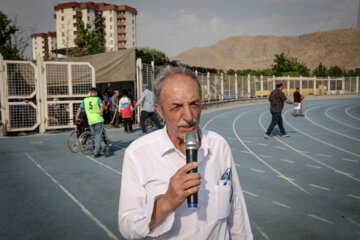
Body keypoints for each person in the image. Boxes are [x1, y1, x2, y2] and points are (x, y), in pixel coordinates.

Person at [118, 67, 253, 239]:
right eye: (176, 107)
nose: (189, 116)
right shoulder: (138, 154)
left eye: (194, 104)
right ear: (159, 111)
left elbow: (236, 211)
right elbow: (127, 227)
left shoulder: (219, 146)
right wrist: (166, 202)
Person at [76, 88, 109, 158]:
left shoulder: (85, 100)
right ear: (96, 93)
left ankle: (103, 147)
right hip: (98, 119)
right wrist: (101, 112)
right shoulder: (97, 99)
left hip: (91, 120)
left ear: (90, 93)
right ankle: (96, 152)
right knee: (98, 135)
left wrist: (77, 117)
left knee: (95, 135)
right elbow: (102, 105)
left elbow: (79, 109)